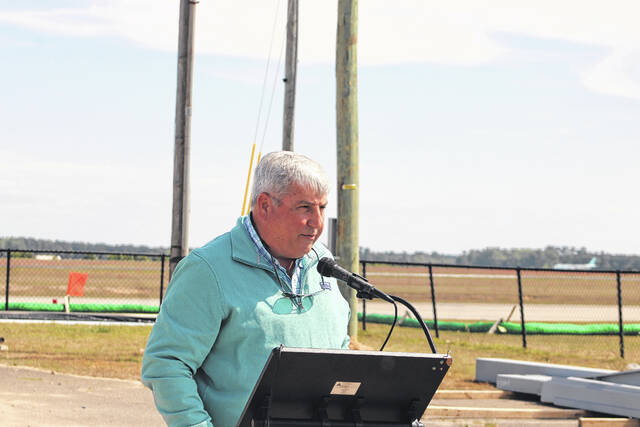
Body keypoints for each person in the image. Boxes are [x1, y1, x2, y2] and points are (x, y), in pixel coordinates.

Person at [142, 151, 350, 427]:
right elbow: (166, 365)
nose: (317, 223)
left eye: (322, 208)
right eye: (304, 208)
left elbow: (342, 355)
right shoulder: (208, 269)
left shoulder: (322, 265)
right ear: (264, 205)